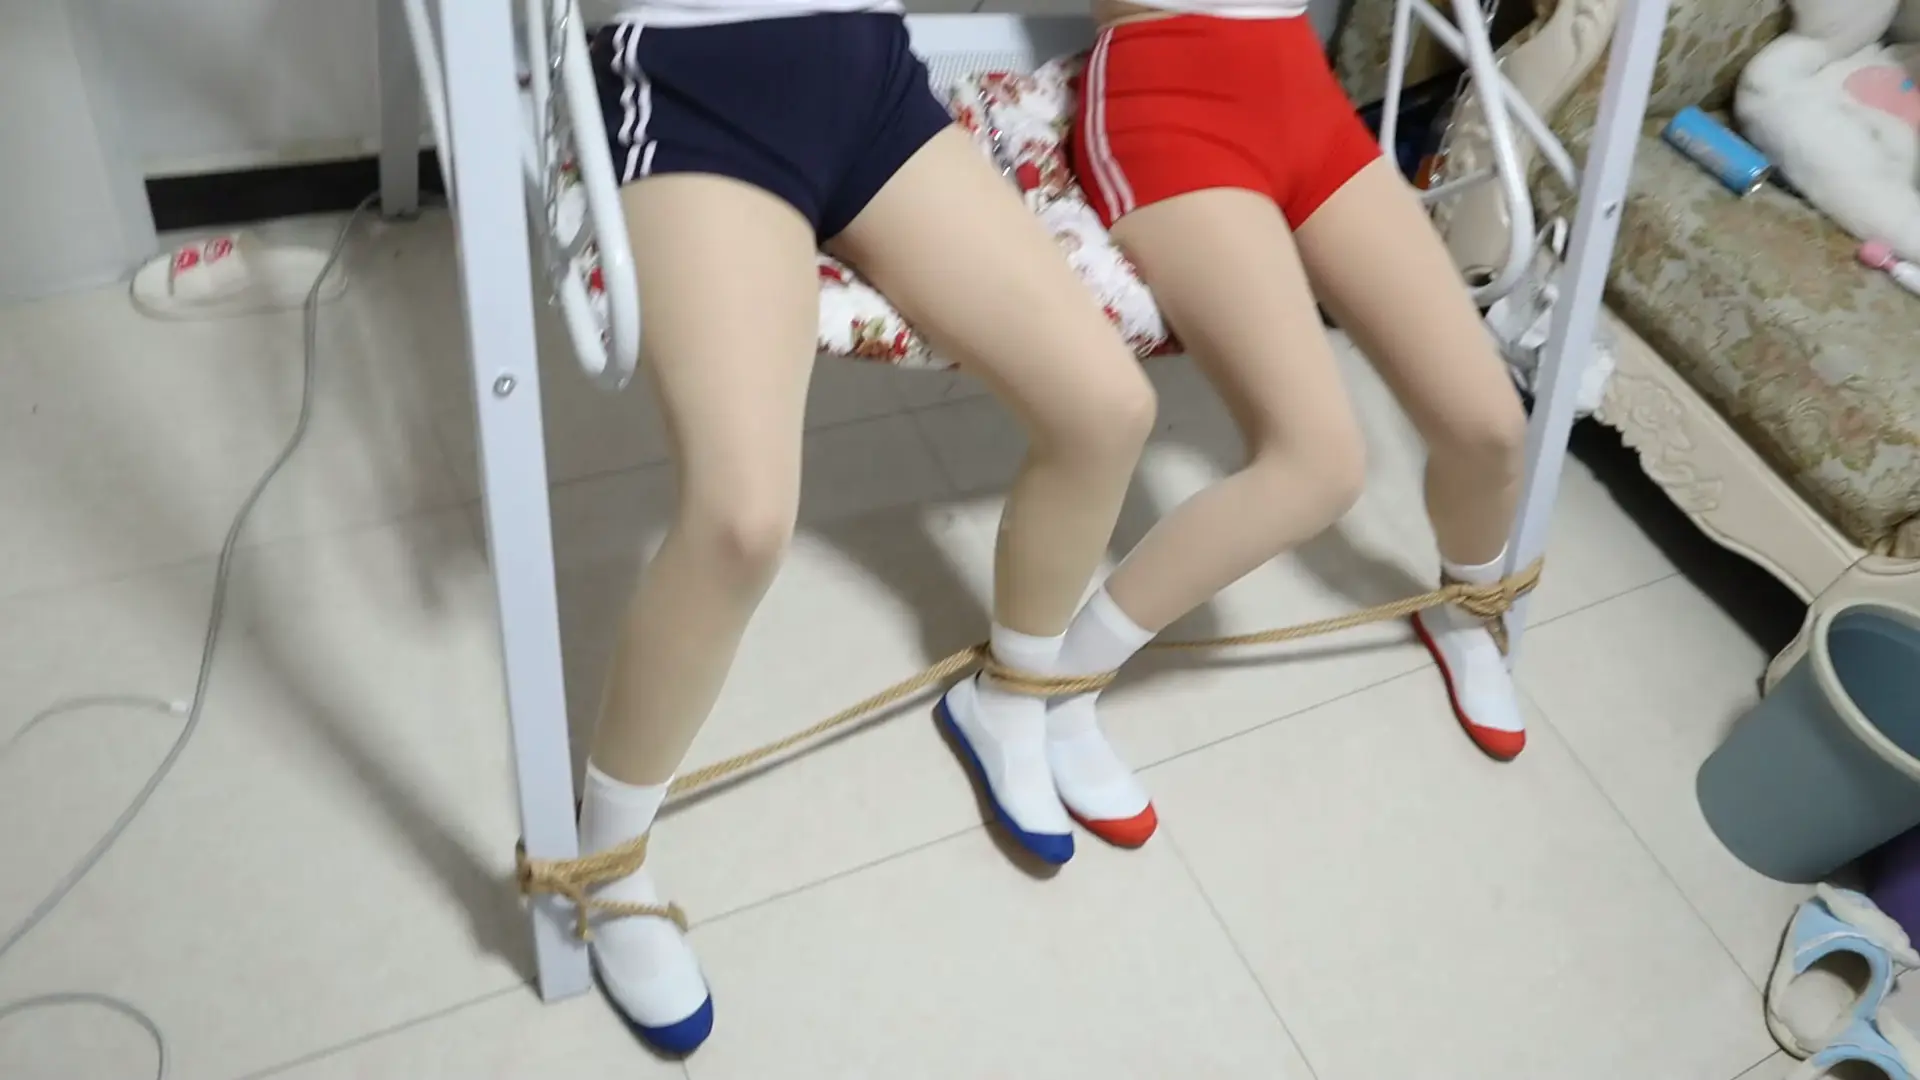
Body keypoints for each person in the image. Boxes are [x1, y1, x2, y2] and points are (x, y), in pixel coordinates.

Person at [573, 0, 1158, 1056]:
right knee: (742, 519)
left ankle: (1009, 702)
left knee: (1107, 409)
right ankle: (604, 864)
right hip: (692, 78)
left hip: (869, 76)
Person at [1044, 0, 1532, 848]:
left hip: (1298, 86)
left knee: (1489, 426)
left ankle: (1463, 610)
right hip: (1167, 89)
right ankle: (1046, 686)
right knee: (1316, 466)